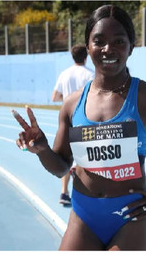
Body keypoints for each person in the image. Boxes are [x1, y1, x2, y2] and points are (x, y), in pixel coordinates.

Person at [13, 4, 146, 250]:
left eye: (119, 41)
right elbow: (60, 168)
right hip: (84, 217)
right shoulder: (72, 104)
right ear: (88, 47)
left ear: (131, 47)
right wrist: (42, 149)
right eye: (99, 41)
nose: (108, 49)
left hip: (131, 218)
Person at [50, 43, 94, 206]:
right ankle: (86, 193)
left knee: (65, 157)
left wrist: (68, 100)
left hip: (67, 118)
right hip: (84, 119)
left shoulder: (64, 74)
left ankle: (64, 192)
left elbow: (54, 97)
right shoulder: (90, 74)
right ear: (86, 56)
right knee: (87, 157)